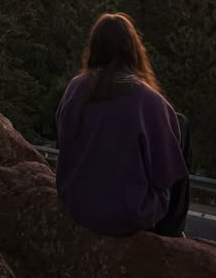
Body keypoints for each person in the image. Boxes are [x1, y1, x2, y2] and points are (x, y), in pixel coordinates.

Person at [55, 12, 191, 238]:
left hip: (76, 204)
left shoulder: (75, 88)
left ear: (95, 48)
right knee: (181, 123)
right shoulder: (149, 101)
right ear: (133, 50)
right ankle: (172, 230)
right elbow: (165, 171)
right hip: (128, 214)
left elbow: (64, 138)